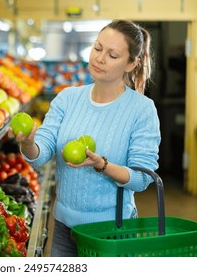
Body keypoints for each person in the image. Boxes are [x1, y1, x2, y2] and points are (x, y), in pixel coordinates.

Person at [8, 20, 161, 257]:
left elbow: (141, 179)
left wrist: (102, 165)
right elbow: (41, 153)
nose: (100, 59)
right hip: (64, 227)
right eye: (97, 48)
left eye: (112, 55)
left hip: (112, 232)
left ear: (131, 64)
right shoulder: (67, 98)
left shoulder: (142, 110)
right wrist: (28, 142)